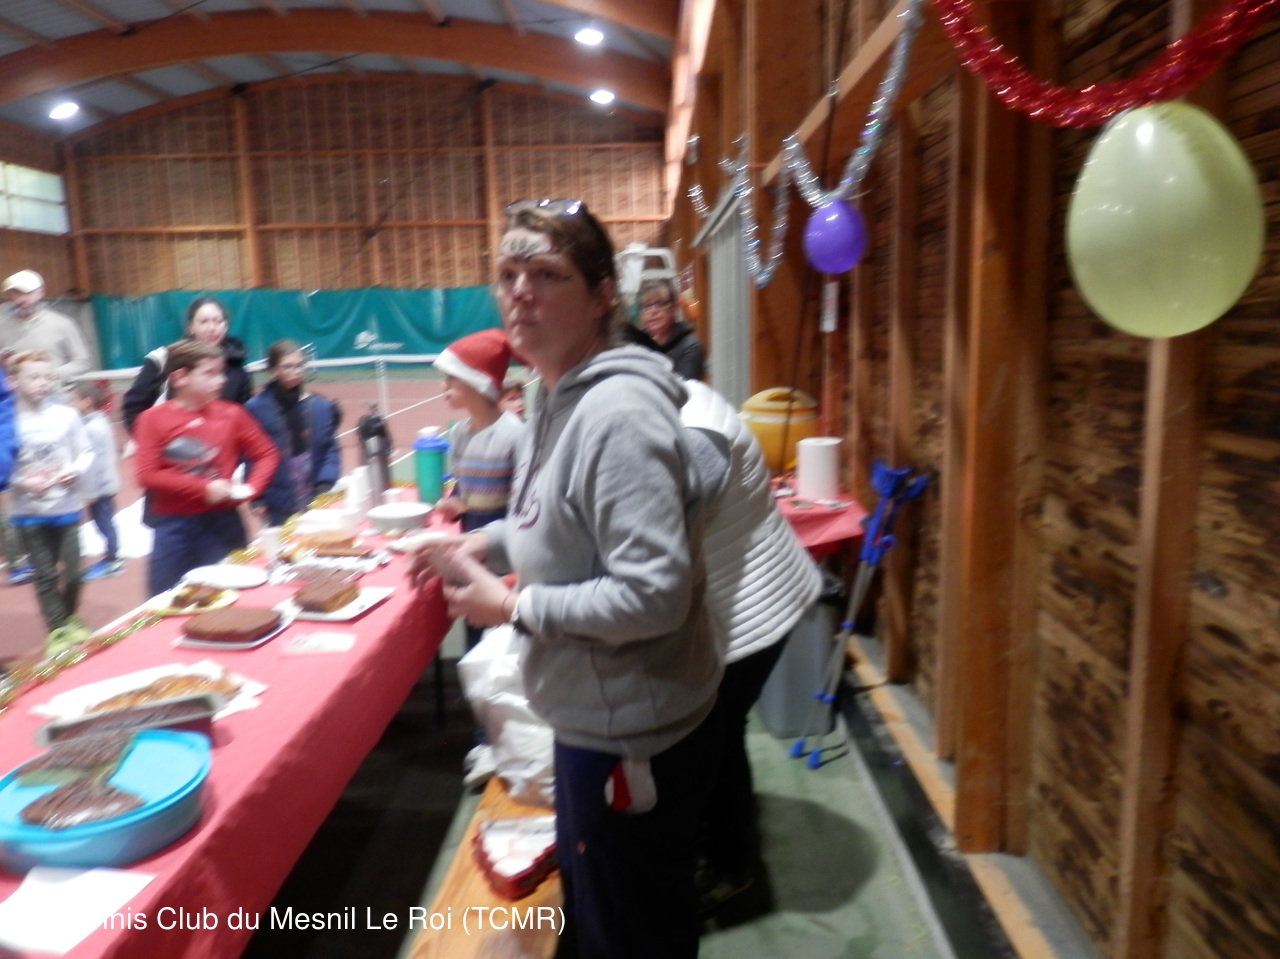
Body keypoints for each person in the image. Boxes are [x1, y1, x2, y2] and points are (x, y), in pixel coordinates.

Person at [408, 198, 721, 959]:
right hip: (591, 717)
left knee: (631, 935)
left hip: (629, 735)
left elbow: (653, 593)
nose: (520, 292)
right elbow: (552, 522)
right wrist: (480, 542)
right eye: (508, 274)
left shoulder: (615, 413)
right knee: (596, 917)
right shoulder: (556, 395)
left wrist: (513, 605)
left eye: (546, 274)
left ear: (602, 294)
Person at [680, 378, 822, 912]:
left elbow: (655, 540)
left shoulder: (695, 433)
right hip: (755, 598)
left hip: (750, 612)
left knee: (714, 736)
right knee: (716, 734)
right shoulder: (684, 395)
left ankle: (730, 866)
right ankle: (720, 844)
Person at [134, 339, 279, 597]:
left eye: (221, 372)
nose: (221, 380)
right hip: (173, 527)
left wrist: (251, 489)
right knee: (166, 599)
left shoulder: (233, 414)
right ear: (180, 378)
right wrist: (203, 488)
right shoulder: (152, 419)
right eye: (210, 374)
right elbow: (147, 474)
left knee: (234, 595)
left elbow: (266, 454)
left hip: (224, 523)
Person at [6, 351, 93, 656]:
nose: (43, 383)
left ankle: (68, 618)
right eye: (34, 377)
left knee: (74, 573)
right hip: (28, 513)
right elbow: (4, 468)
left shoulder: (66, 416)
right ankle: (57, 630)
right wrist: (22, 482)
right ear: (13, 381)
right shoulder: (8, 422)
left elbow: (85, 452)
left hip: (66, 507)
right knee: (45, 575)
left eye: (47, 376)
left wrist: (75, 471)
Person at [120, 296, 253, 437]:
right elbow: (133, 409)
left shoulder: (238, 371)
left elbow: (244, 422)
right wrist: (153, 444)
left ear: (225, 326)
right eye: (204, 322)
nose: (212, 328)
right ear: (191, 327)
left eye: (218, 321)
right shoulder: (164, 360)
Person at [244, 340, 342, 526]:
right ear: (273, 370)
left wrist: (325, 481)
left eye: (299, 366)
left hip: (315, 497)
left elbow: (330, 447)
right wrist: (256, 496)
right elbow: (251, 456)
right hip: (278, 504)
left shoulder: (319, 406)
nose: (295, 371)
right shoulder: (255, 409)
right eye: (287, 367)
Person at [0, 270, 91, 395]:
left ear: (41, 292)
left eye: (28, 293)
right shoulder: (3, 327)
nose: (22, 299)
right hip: (16, 400)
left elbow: (82, 362)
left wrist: (51, 374)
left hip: (55, 396)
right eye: (16, 294)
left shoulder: (62, 324)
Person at [70, 381, 125, 581]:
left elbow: (94, 464)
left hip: (100, 486)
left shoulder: (92, 428)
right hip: (103, 484)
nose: (71, 404)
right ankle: (112, 557)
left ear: (87, 401)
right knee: (103, 521)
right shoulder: (97, 422)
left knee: (104, 522)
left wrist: (91, 493)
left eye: (74, 400)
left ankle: (114, 560)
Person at [620, 276, 706, 380]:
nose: (653, 311)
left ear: (674, 307)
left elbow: (687, 387)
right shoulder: (636, 344)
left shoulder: (689, 346)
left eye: (660, 304)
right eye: (647, 306)